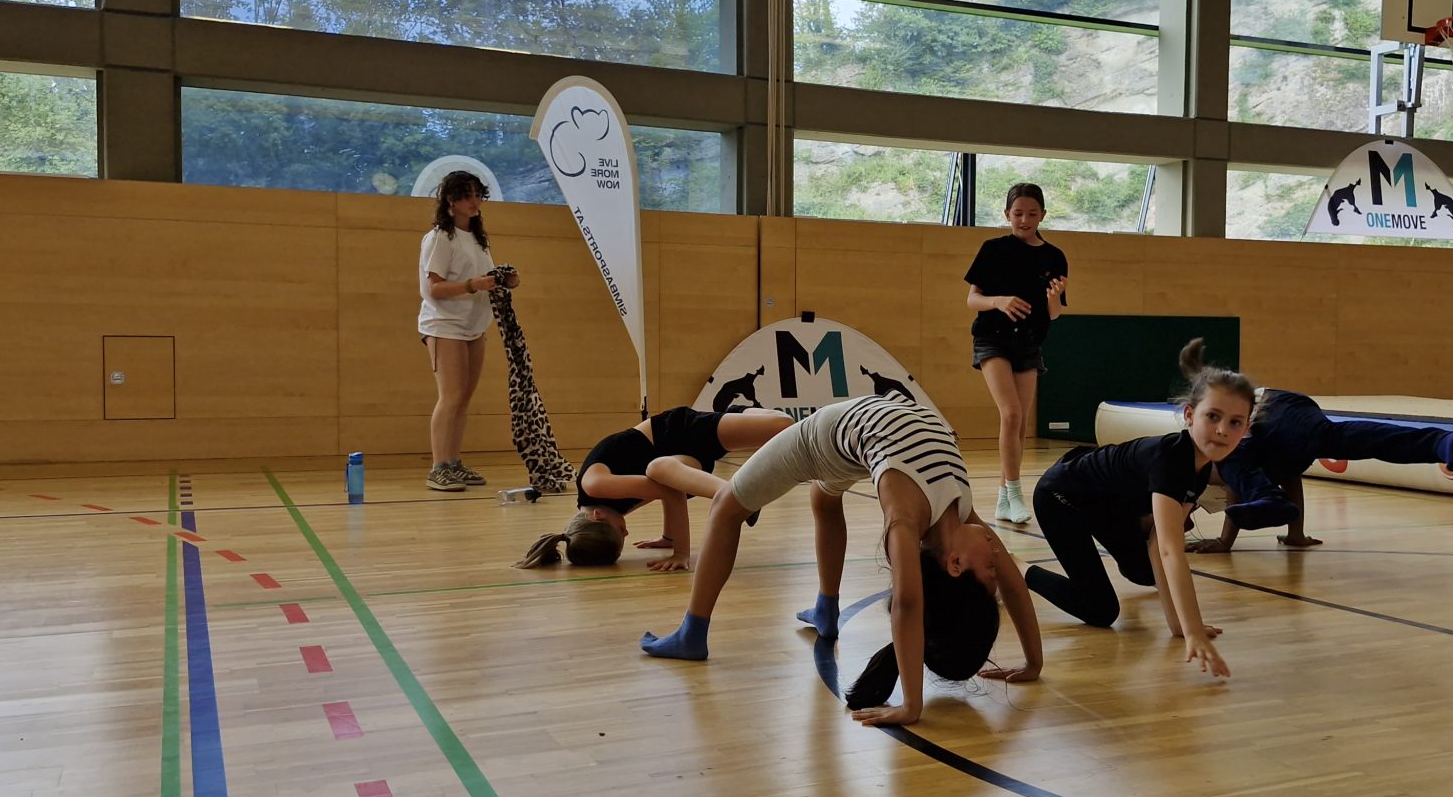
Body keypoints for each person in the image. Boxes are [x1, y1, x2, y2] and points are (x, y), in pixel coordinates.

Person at [639, 394, 1044, 727]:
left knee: (727, 506)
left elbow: (907, 604)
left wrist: (911, 705)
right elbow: (1014, 582)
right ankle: (826, 608)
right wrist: (1032, 662)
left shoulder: (904, 520)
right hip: (860, 438)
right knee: (824, 497)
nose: (997, 555)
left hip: (831, 437)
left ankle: (692, 634)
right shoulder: (964, 519)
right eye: (994, 565)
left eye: (989, 567)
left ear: (954, 564)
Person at [1013, 340, 1260, 682]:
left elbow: (1158, 543)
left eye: (1235, 422)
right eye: (1213, 416)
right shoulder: (1171, 460)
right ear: (1190, 415)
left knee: (1144, 572)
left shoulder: (1200, 467)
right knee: (1101, 611)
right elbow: (1170, 550)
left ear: (1246, 429)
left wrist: (1178, 626)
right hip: (1062, 497)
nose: (1222, 430)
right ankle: (1016, 567)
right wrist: (1193, 632)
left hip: (1105, 504)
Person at [524, 406, 793, 572]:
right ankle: (738, 495)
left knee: (785, 426)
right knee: (658, 469)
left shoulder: (595, 485)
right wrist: (668, 537)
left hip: (677, 432)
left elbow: (669, 492)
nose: (626, 531)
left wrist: (681, 553)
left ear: (597, 517)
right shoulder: (605, 505)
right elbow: (663, 489)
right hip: (677, 463)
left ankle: (737, 416)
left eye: (620, 531)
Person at [1195, 390, 1453, 551]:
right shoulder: (1247, 461)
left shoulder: (1203, 459)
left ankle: (1270, 501)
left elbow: (1232, 483)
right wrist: (1296, 534)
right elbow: (1290, 475)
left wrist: (1224, 541)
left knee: (1236, 464)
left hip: (1271, 407)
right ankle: (1438, 443)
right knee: (1341, 441)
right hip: (1284, 411)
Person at [965, 182, 1068, 527]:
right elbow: (972, 299)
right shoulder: (993, 249)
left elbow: (1054, 314)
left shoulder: (1054, 257)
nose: (1024, 220)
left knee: (1020, 422)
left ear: (1043, 215)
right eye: (1018, 213)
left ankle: (1003, 498)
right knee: (1010, 414)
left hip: (1029, 343)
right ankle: (1015, 492)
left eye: (1032, 213)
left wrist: (1054, 299)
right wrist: (999, 301)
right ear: (1007, 214)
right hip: (992, 339)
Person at [417, 170, 516, 493]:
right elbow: (434, 288)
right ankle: (438, 467)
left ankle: (453, 461)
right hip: (445, 325)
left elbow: (482, 279)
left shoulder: (477, 237)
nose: (475, 201)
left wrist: (503, 280)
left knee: (463, 397)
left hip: (474, 326)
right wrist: (473, 285)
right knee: (451, 396)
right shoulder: (439, 238)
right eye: (467, 195)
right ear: (451, 199)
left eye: (478, 195)